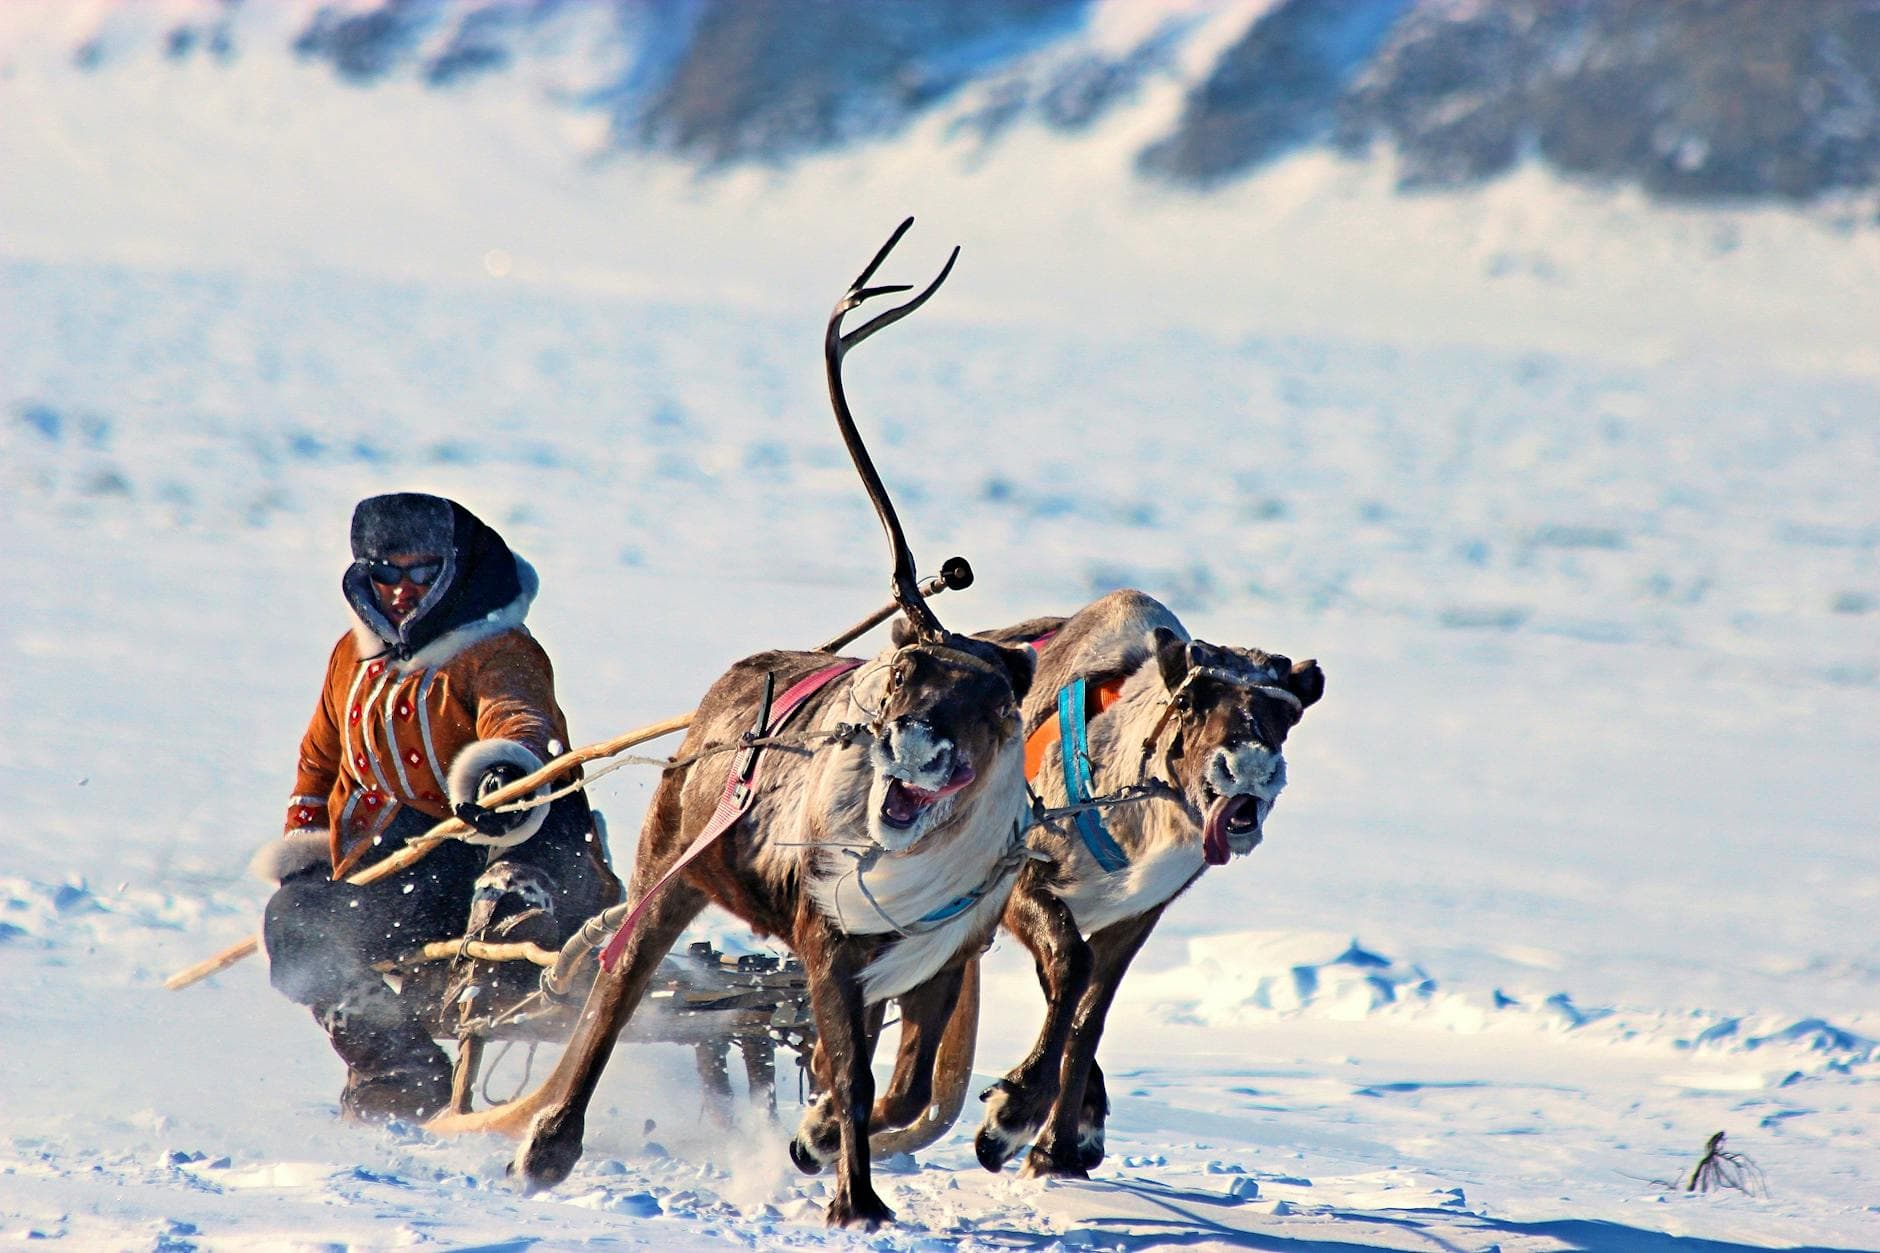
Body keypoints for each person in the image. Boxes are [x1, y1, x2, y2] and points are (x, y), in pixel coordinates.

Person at [253, 492, 619, 1122]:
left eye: (422, 572)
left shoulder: (496, 648)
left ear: (453, 568)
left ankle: (513, 970)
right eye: (385, 574)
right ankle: (395, 1065)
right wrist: (307, 855)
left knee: (510, 887)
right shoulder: (352, 655)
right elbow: (320, 761)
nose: (402, 590)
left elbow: (521, 716)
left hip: (513, 850)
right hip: (402, 871)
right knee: (296, 923)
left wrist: (505, 770)